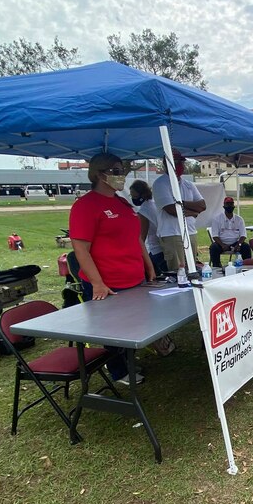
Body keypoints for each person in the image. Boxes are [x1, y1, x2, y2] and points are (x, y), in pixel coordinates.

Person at [69, 153, 156, 384]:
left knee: (134, 325)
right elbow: (81, 249)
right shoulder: (85, 206)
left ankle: (127, 361)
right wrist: (97, 283)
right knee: (114, 330)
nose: (121, 176)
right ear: (100, 174)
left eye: (122, 171)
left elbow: (136, 239)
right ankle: (119, 371)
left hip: (134, 277)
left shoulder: (122, 202)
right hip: (108, 283)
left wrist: (149, 266)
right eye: (116, 171)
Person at [151, 149, 206, 271]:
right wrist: (193, 212)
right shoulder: (161, 184)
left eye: (181, 162)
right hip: (172, 233)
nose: (180, 165)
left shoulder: (188, 184)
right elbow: (171, 210)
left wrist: (181, 203)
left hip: (190, 232)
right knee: (178, 271)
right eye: (176, 162)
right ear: (166, 163)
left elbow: (202, 205)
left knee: (192, 269)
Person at [129, 180, 167, 274]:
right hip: (163, 247)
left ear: (141, 195)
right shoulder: (153, 204)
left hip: (156, 249)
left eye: (134, 196)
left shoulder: (144, 211)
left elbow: (142, 237)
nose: (133, 198)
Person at [210, 197, 251, 267]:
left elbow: (243, 235)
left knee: (246, 247)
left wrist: (239, 244)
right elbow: (215, 236)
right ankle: (217, 266)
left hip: (236, 243)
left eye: (231, 204)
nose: (229, 206)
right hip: (221, 243)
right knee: (213, 248)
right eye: (227, 204)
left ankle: (247, 266)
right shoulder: (217, 219)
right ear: (224, 206)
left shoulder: (239, 219)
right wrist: (222, 245)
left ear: (234, 206)